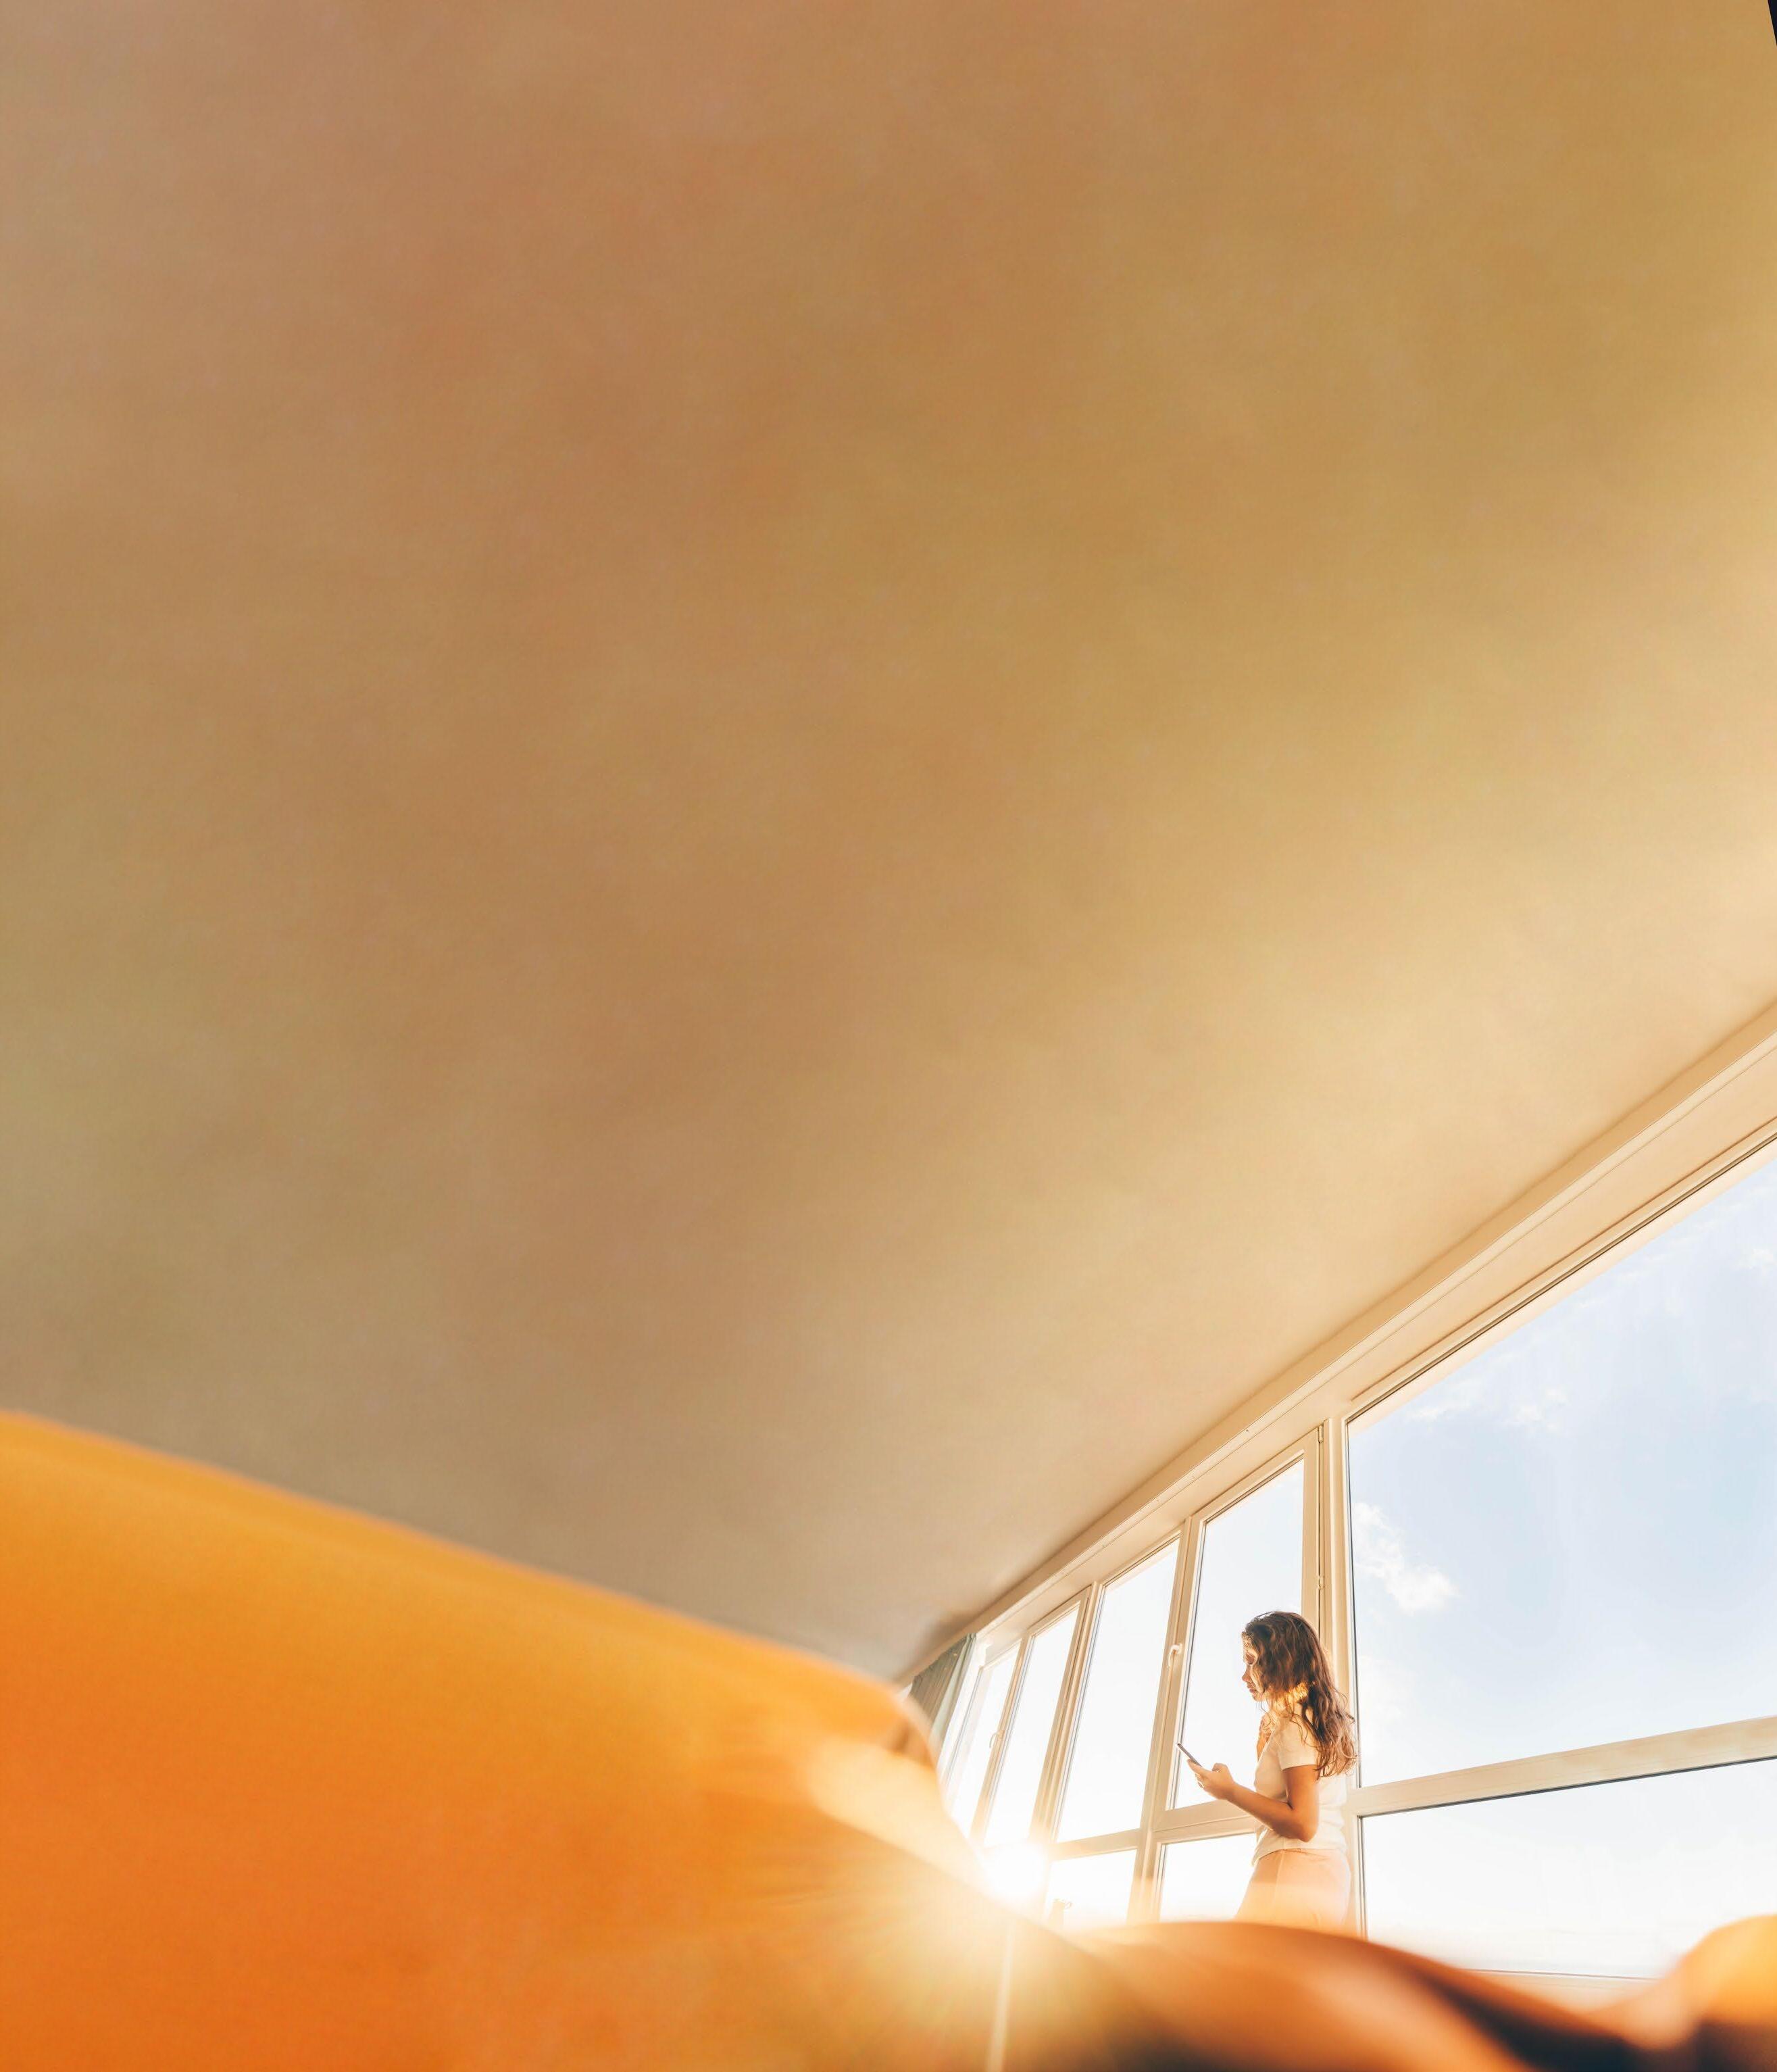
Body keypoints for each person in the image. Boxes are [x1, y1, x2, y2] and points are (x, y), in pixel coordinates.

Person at [1184, 1609, 1357, 1931]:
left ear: (1282, 1662)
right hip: (1318, 1875)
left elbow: (1302, 1823)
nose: (1244, 1676)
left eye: (1252, 1662)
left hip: (1294, 1871)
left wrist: (1229, 1791)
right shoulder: (1308, 1720)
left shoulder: (1295, 1723)